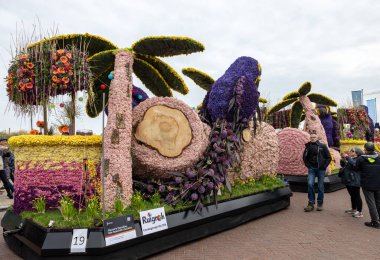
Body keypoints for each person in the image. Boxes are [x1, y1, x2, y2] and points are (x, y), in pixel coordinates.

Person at [346, 142, 380, 229]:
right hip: (378, 182)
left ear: (365, 149)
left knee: (371, 202)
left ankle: (375, 221)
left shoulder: (361, 158)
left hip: (367, 183)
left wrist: (349, 158)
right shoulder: (379, 156)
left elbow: (356, 167)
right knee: (378, 202)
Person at [303, 132, 332, 212]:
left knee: (320, 186)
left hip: (321, 169)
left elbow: (329, 157)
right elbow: (304, 157)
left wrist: (324, 166)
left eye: (314, 137)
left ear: (317, 138)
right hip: (311, 168)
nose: (312, 138)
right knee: (310, 184)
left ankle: (320, 203)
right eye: (311, 137)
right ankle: (311, 203)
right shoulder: (307, 146)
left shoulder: (322, 146)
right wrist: (308, 165)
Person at [340, 147, 364, 218]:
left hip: (355, 180)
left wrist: (347, 157)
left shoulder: (359, 159)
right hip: (348, 179)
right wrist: (343, 160)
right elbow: (343, 165)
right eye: (350, 151)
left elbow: (354, 165)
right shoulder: (351, 158)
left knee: (357, 196)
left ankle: (359, 211)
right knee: (352, 195)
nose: (350, 152)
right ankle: (354, 208)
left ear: (357, 153)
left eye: (352, 151)